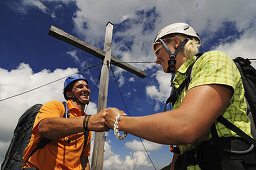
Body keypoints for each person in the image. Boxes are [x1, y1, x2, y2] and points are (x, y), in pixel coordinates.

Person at [103, 23, 256, 170]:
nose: (156, 60)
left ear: (176, 42)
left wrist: (119, 121)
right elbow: (181, 143)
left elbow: (186, 125)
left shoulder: (213, 60)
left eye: (157, 50)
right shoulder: (178, 86)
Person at [23, 75, 109, 170]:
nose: (86, 89)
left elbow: (84, 159)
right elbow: (44, 127)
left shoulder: (87, 125)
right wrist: (87, 122)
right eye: (80, 87)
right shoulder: (57, 106)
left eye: (87, 87)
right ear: (69, 93)